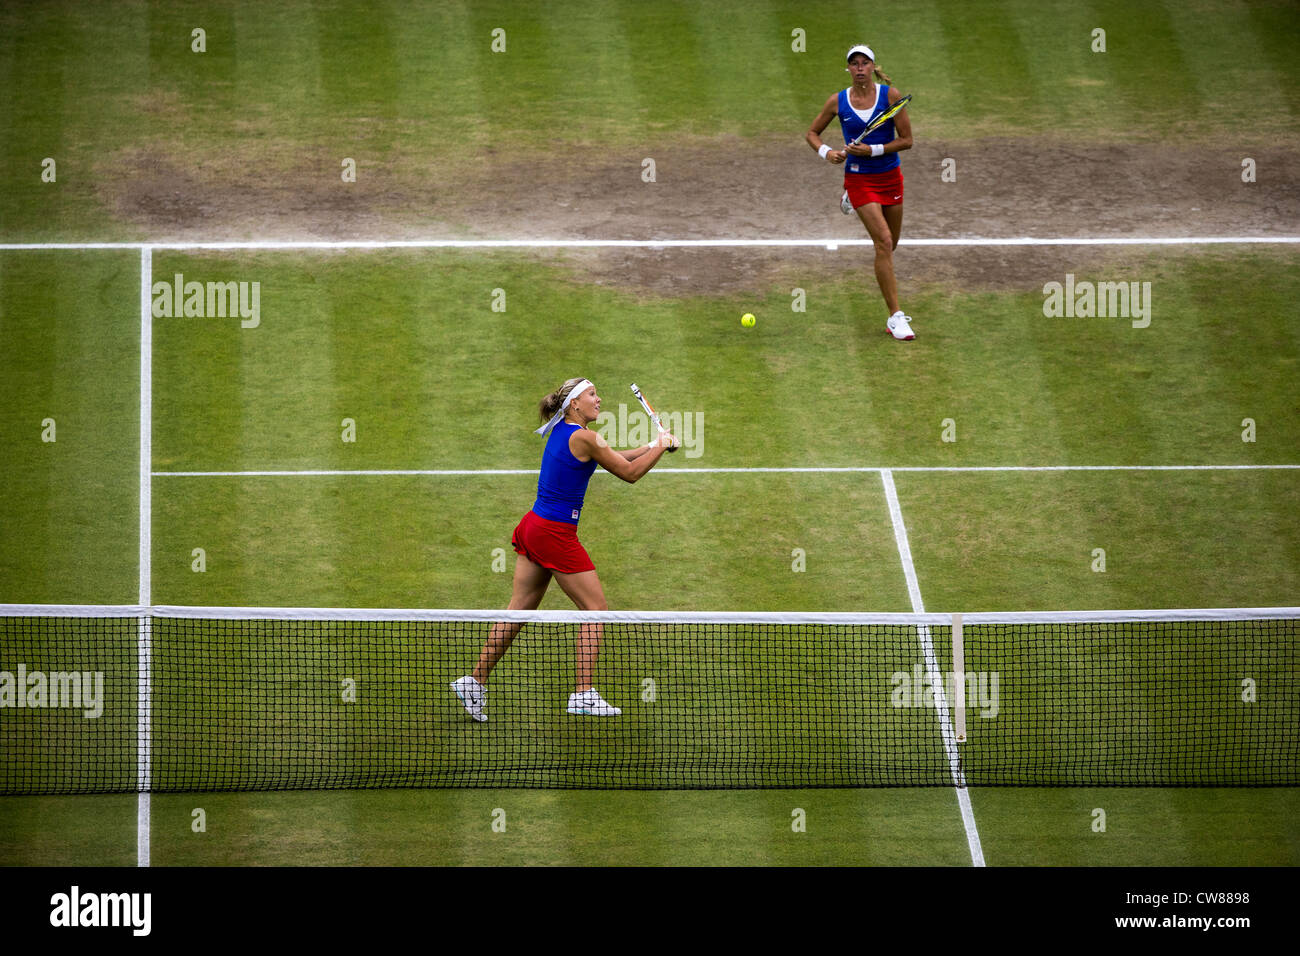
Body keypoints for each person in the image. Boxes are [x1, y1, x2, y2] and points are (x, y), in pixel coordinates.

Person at [451, 377, 677, 722]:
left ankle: (475, 680)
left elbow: (613, 456)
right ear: (574, 404)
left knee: (518, 611)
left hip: (534, 527)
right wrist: (661, 446)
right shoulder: (586, 437)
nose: (599, 400)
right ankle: (583, 694)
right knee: (596, 609)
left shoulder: (565, 430)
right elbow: (629, 473)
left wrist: (652, 444)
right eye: (592, 395)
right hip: (555, 535)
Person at [806, 43, 915, 340]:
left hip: (890, 177)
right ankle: (895, 317)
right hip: (859, 177)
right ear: (849, 69)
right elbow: (811, 133)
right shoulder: (838, 101)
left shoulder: (889, 96)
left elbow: (907, 140)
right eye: (853, 64)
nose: (859, 68)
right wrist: (827, 152)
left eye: (864, 63)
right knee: (884, 241)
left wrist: (873, 149)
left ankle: (848, 199)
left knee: (890, 248)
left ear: (872, 66)